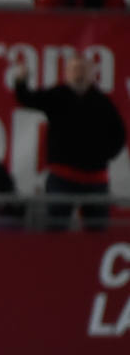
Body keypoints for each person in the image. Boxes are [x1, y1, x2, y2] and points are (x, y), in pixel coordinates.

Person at [14, 54, 126, 231]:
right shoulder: (58, 96)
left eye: (83, 69)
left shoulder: (102, 102)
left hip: (94, 178)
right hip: (62, 177)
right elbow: (27, 98)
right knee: (56, 228)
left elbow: (119, 135)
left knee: (97, 230)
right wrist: (21, 80)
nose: (78, 73)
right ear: (67, 73)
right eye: (74, 69)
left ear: (91, 74)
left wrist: (103, 155)